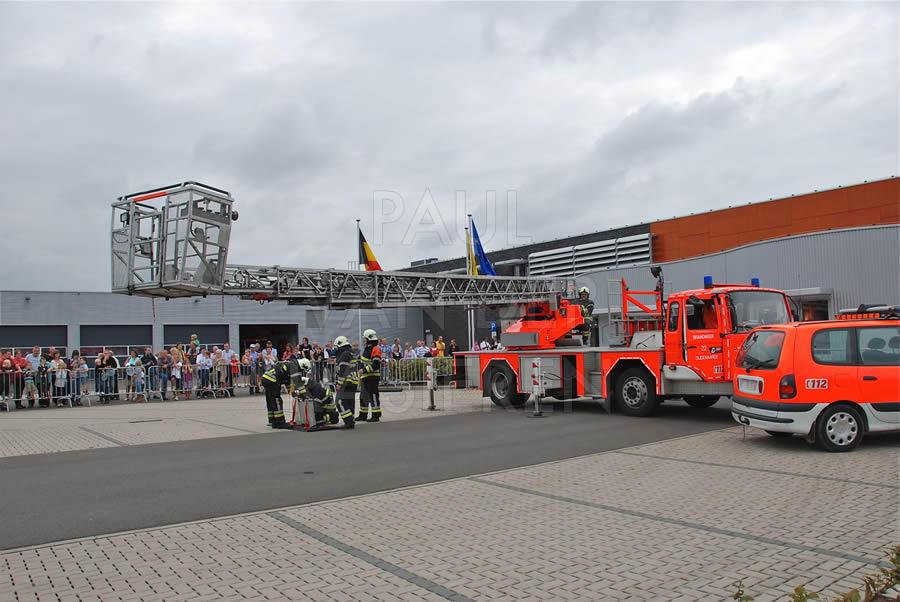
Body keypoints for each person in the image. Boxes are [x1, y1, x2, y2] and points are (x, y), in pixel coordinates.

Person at [293, 358, 339, 429]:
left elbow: (313, 399)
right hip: (324, 404)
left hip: (327, 406)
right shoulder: (312, 385)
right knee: (311, 403)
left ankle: (325, 418)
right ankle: (324, 417)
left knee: (313, 403)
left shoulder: (314, 387)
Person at [259, 357, 303, 428]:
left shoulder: (286, 365)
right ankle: (280, 422)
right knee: (277, 401)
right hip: (272, 381)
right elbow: (292, 381)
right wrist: (297, 393)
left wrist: (292, 393)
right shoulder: (291, 367)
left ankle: (273, 421)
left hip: (266, 380)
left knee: (271, 401)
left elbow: (287, 383)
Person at [356, 329, 383, 422]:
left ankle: (376, 415)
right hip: (365, 377)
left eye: (365, 339)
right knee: (363, 396)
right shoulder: (367, 348)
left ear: (369, 339)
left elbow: (376, 364)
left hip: (372, 377)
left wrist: (363, 370)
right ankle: (363, 415)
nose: (364, 340)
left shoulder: (376, 348)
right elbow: (363, 361)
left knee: (373, 396)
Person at [332, 336, 357, 429]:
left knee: (339, 401)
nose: (336, 349)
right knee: (349, 401)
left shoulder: (344, 354)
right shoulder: (351, 352)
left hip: (346, 382)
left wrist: (339, 383)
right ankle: (351, 419)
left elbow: (343, 370)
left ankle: (349, 421)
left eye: (337, 347)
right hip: (353, 382)